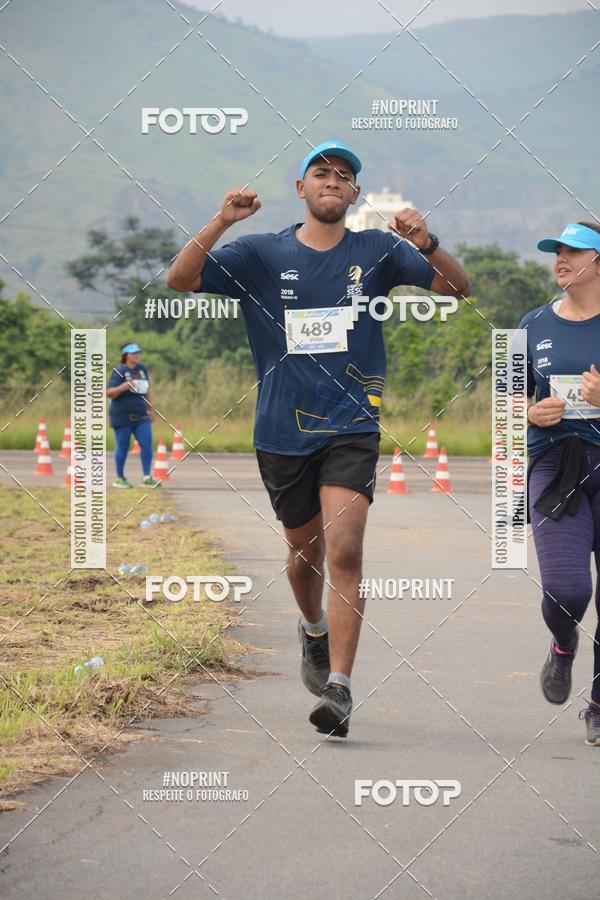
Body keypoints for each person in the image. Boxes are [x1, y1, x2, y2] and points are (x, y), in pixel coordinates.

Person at [167, 139, 471, 737]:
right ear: (301, 189)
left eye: (344, 175)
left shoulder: (379, 251)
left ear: (355, 194)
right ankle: (312, 629)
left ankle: (340, 688)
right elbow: (182, 279)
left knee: (346, 551)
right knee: (304, 554)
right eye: (321, 172)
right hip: (281, 430)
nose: (333, 180)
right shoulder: (260, 252)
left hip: (352, 424)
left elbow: (457, 290)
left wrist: (425, 242)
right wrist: (223, 220)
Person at [519, 221, 600, 746]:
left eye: (574, 252)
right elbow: (505, 404)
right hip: (556, 467)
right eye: (557, 252)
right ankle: (563, 644)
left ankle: (598, 706)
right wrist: (530, 411)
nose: (561, 260)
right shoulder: (530, 325)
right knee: (567, 591)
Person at [106, 342, 161, 489]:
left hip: (141, 415)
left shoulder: (142, 370)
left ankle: (147, 477)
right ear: (126, 355)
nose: (137, 355)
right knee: (123, 446)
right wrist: (123, 387)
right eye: (133, 353)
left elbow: (147, 390)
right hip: (122, 416)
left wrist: (150, 409)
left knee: (147, 444)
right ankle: (120, 477)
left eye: (138, 353)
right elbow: (109, 393)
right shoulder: (119, 371)